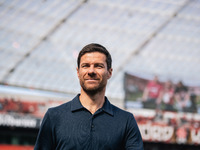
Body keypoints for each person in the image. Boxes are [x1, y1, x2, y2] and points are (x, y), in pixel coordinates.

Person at [34, 43, 143, 150]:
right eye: (85, 66)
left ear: (109, 72)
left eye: (98, 66)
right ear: (78, 72)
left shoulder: (126, 121)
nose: (91, 71)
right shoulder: (54, 116)